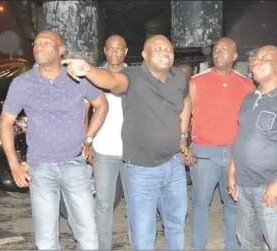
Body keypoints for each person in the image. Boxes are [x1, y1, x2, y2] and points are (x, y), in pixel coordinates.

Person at [62, 34, 191, 250]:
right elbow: (111, 80)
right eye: (158, 48)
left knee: (176, 223)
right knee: (143, 231)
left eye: (168, 49)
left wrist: (183, 135)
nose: (165, 52)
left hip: (173, 164)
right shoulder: (132, 76)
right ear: (144, 55)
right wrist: (87, 69)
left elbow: (187, 99)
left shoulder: (178, 77)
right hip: (142, 169)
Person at [0, 30, 109, 250]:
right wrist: (14, 165)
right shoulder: (23, 83)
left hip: (75, 165)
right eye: (36, 43)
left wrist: (88, 139)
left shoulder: (78, 78)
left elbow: (102, 106)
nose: (39, 46)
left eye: (47, 42)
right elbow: (5, 122)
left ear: (61, 50)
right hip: (40, 168)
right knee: (46, 241)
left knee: (88, 236)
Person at [227, 45, 277, 250]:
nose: (256, 61)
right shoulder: (249, 98)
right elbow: (241, 135)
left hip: (269, 185)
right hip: (244, 185)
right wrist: (231, 169)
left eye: (265, 58)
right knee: (247, 241)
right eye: (256, 58)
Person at [187, 37, 253, 249]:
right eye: (216, 49)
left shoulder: (247, 84)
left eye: (225, 50)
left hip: (235, 154)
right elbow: (185, 114)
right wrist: (183, 142)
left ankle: (232, 246)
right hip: (205, 153)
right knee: (200, 204)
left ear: (234, 56)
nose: (218, 53)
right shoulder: (197, 81)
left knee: (233, 204)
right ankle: (198, 246)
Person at [90, 34, 131, 249]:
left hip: (133, 152)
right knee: (104, 204)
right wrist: (85, 141)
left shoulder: (135, 75)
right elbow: (84, 108)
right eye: (110, 48)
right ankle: (103, 246)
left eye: (119, 48)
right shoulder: (94, 76)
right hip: (103, 151)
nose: (114, 52)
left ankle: (138, 244)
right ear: (104, 51)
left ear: (125, 51)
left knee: (135, 204)